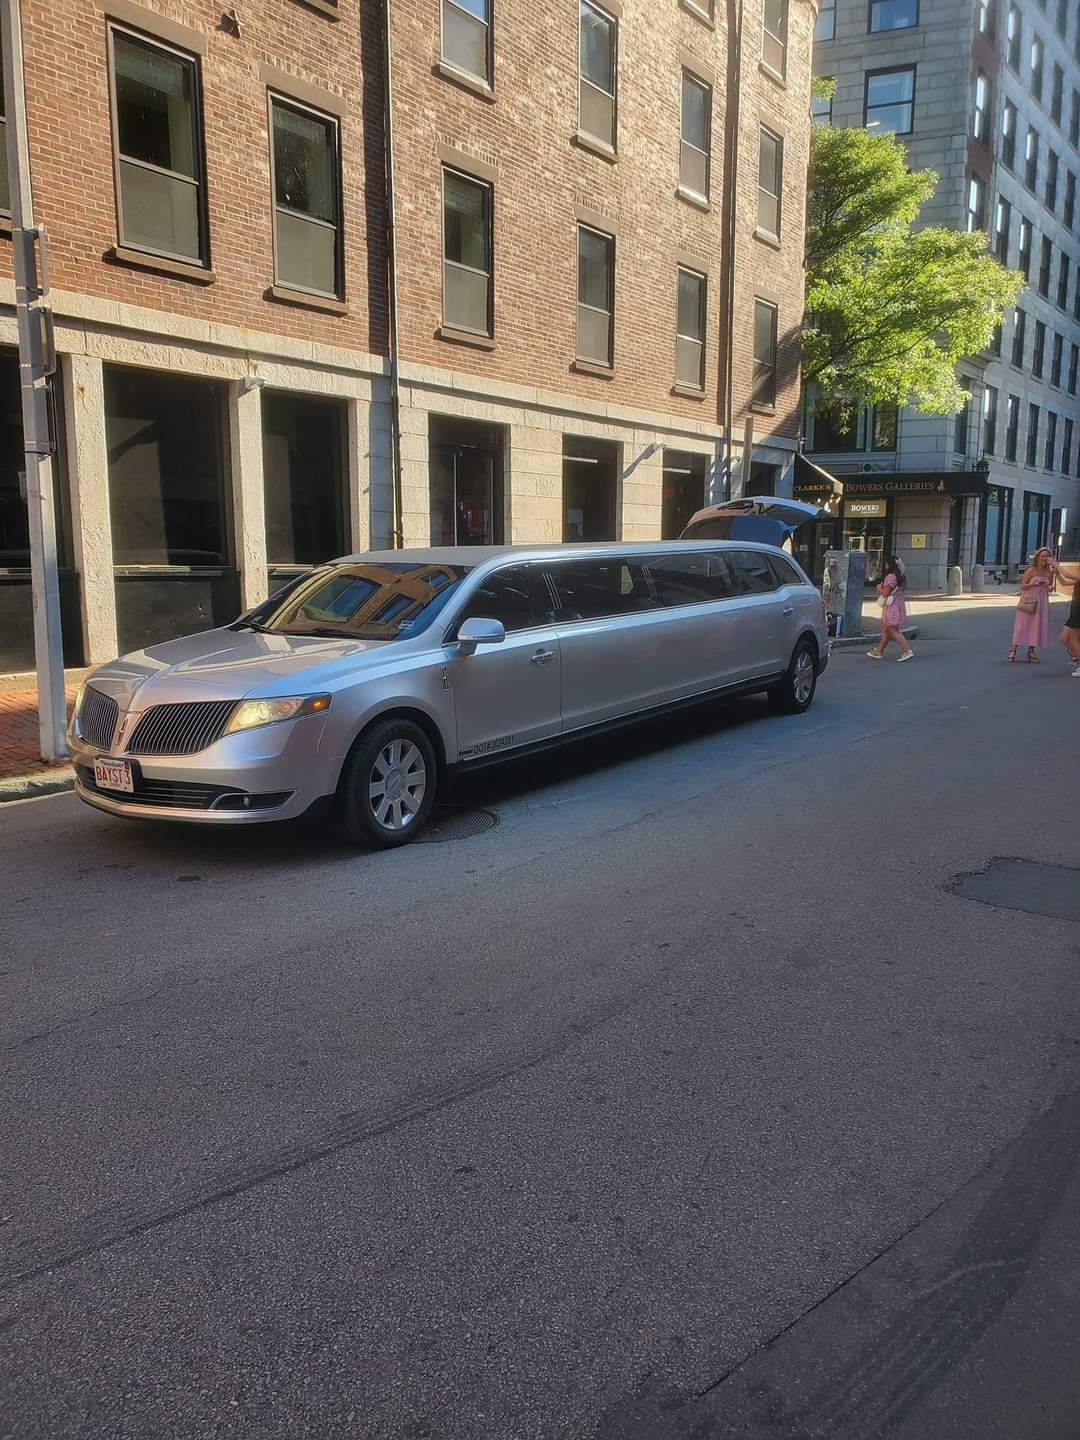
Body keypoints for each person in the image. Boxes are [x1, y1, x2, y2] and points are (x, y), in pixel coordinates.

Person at [1008, 547, 1055, 662]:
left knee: (1036, 626)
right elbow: (1023, 586)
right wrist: (1033, 584)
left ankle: (1031, 651)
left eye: (1047, 556)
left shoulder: (1049, 572)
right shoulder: (1031, 570)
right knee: (1021, 625)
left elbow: (1050, 586)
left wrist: (1049, 587)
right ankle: (1013, 650)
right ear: (1038, 558)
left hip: (1042, 602)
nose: (1045, 559)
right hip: (1028, 600)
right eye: (1043, 556)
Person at [866, 556, 915, 662]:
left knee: (893, 630)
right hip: (897, 604)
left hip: (891, 606)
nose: (885, 566)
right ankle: (879, 651)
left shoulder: (891, 577)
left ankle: (907, 650)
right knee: (886, 631)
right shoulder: (901, 576)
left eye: (886, 564)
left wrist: (878, 588)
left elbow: (885, 593)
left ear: (890, 565)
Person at [1054, 559, 1080, 675]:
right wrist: (1057, 573)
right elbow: (1064, 582)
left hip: (1078, 611)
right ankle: (1076, 655)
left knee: (1074, 639)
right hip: (1075, 610)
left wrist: (1056, 564)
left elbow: (1068, 574)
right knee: (1064, 638)